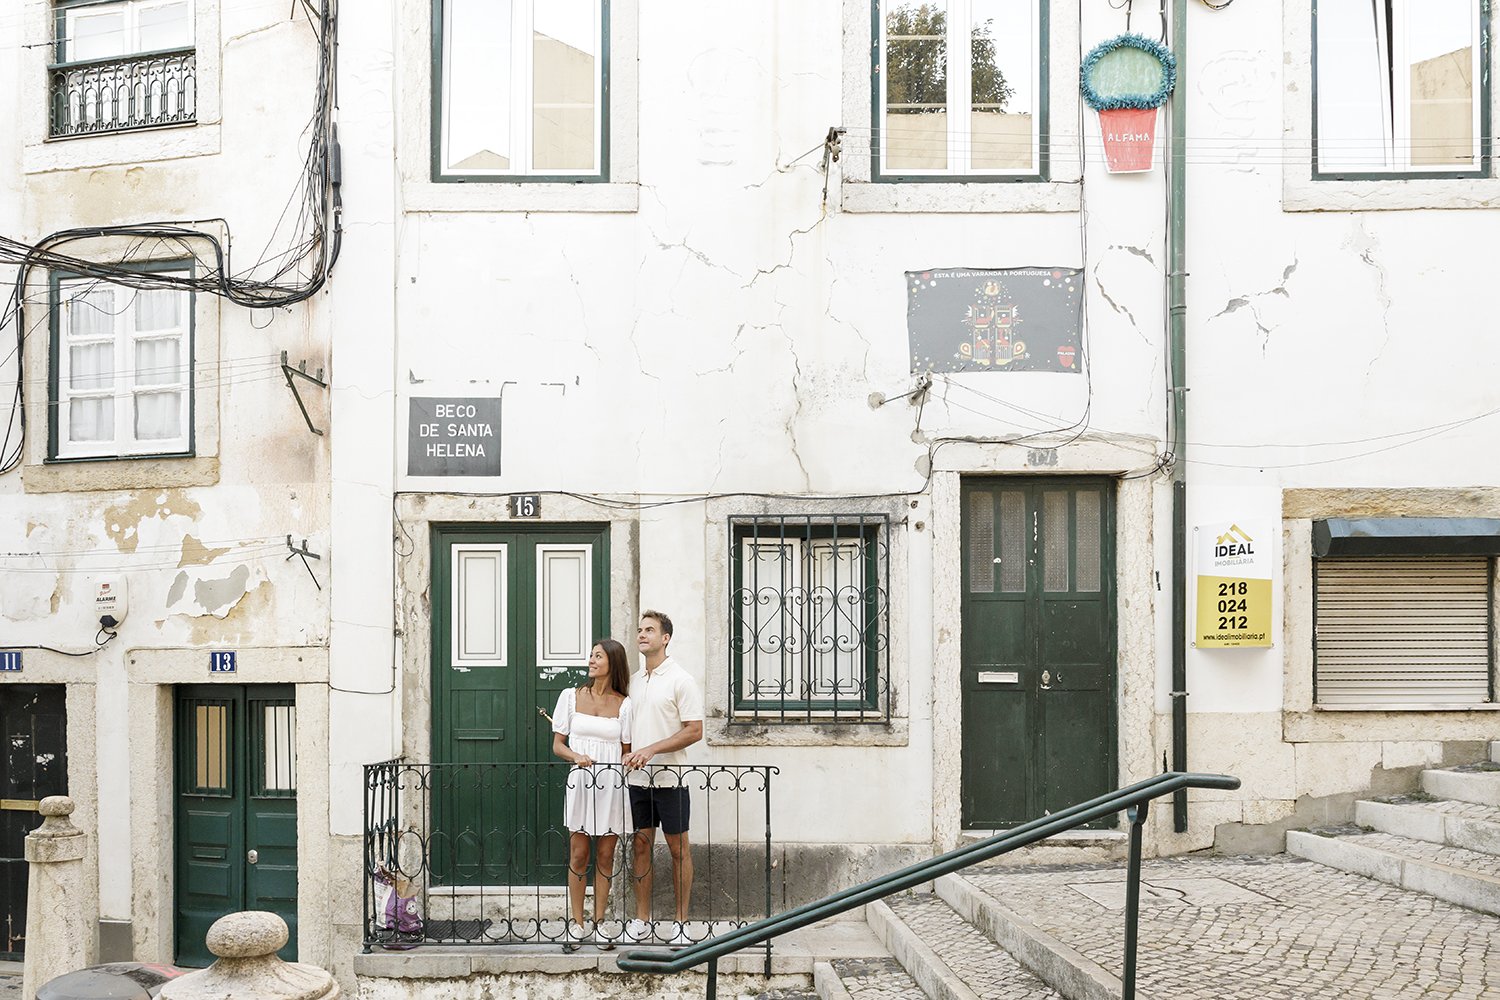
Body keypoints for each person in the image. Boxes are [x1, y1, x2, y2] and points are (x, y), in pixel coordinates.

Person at [622, 610, 704, 947]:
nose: (642, 635)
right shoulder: (634, 680)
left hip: (671, 781)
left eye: (650, 630)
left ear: (665, 638)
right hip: (638, 781)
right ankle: (642, 920)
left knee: (678, 850)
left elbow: (695, 731)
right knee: (640, 847)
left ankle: (681, 923)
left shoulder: (681, 679)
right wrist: (627, 753)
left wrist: (652, 749)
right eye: (640, 630)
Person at [551, 638, 632, 951]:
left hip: (611, 784)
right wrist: (576, 757)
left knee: (606, 855)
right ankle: (577, 923)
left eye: (598, 656)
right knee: (578, 854)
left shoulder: (624, 704)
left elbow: (626, 750)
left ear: (613, 662)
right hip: (581, 781)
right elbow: (558, 744)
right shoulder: (570, 697)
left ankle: (599, 923)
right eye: (591, 655)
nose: (592, 660)